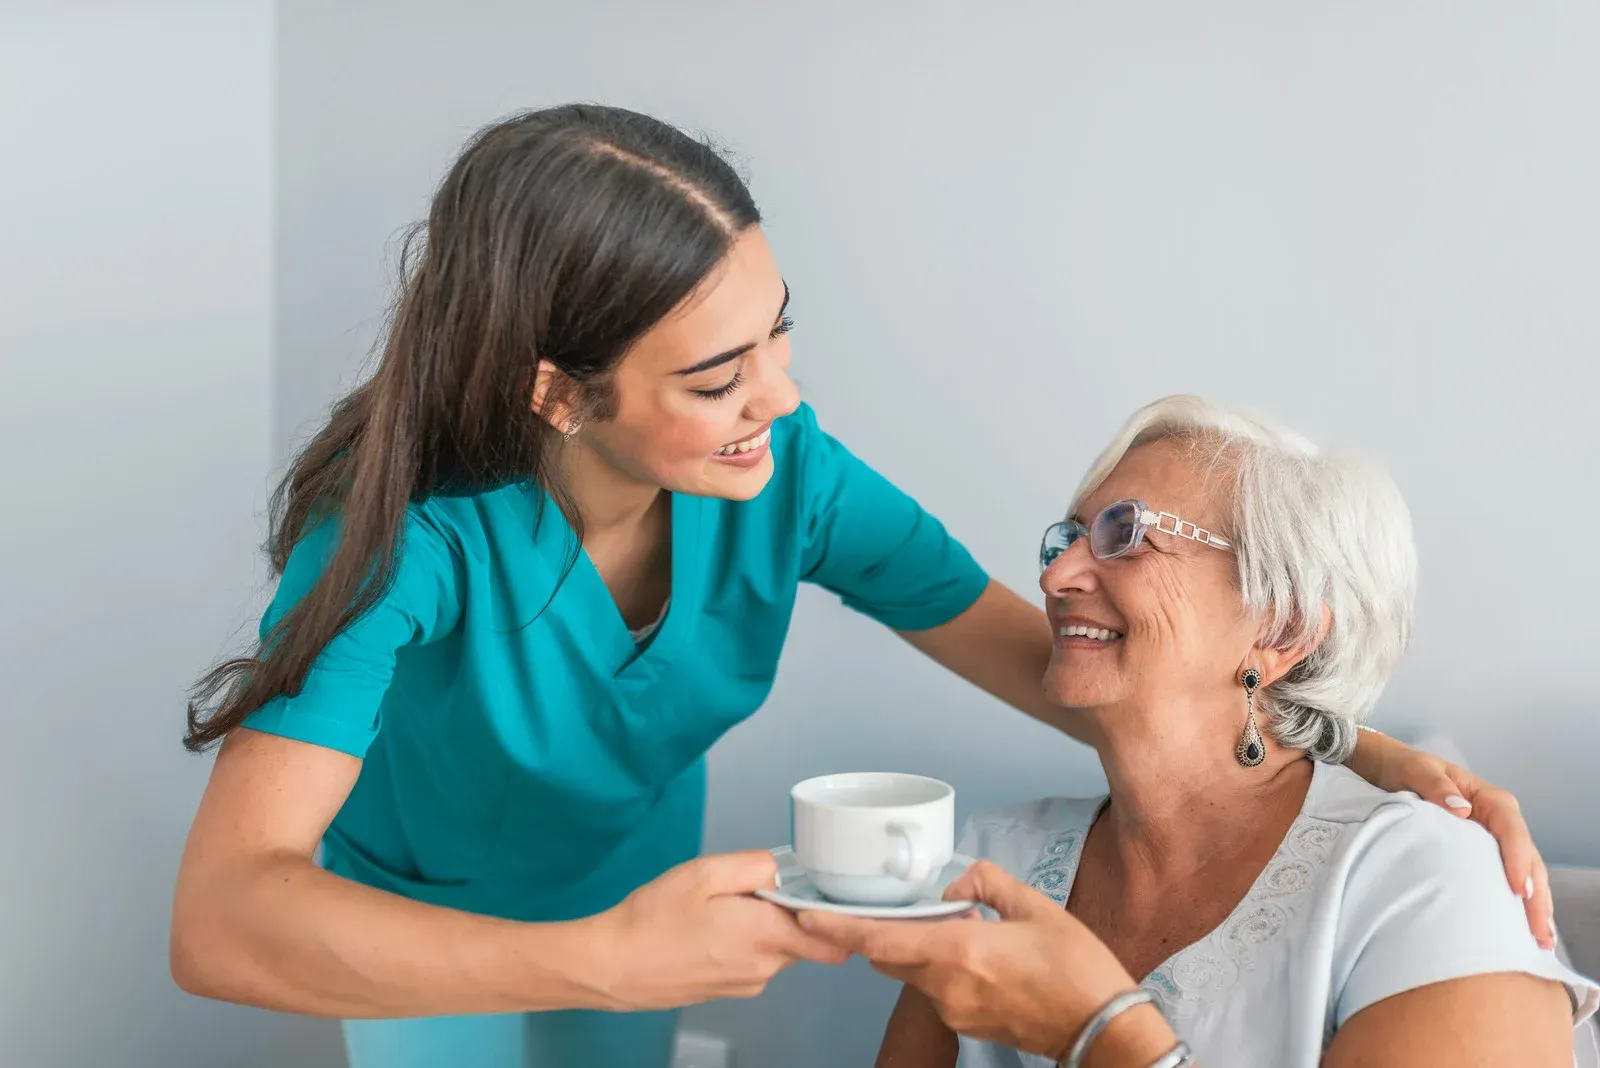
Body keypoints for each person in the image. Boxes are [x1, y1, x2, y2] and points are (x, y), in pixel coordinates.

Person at [169, 107, 1548, 1068]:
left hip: (636, 868)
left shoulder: (793, 476)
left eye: (777, 337)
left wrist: (1362, 754)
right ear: (557, 392)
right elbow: (225, 919)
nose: (779, 400)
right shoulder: (407, 540)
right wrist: (605, 959)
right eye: (717, 380)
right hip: (414, 906)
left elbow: (1054, 653)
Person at [800, 395, 1596, 1068]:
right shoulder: (993, 860)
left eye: (1126, 533)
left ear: (1280, 629)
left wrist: (1103, 1034)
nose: (1054, 577)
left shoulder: (1426, 886)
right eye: (1068, 538)